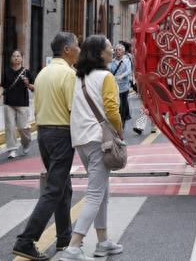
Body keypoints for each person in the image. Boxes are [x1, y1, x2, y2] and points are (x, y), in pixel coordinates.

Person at [13, 32, 80, 261]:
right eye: (77, 46)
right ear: (67, 49)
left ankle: (64, 238)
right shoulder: (69, 74)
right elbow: (74, 111)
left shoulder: (42, 73)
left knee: (63, 186)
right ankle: (26, 240)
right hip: (61, 134)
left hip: (43, 133)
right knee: (54, 189)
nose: (79, 50)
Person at [60, 35, 124, 260]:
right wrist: (120, 131)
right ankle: (74, 247)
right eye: (108, 47)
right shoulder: (106, 76)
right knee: (96, 194)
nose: (112, 50)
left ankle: (103, 241)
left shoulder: (80, 77)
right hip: (100, 140)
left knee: (102, 191)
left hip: (81, 140)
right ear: (99, 54)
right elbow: (112, 110)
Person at [0, 49, 35, 159]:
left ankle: (26, 143)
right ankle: (12, 149)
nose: (16, 58)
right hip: (8, 103)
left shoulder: (27, 72)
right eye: (14, 56)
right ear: (11, 58)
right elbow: (2, 85)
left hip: (22, 103)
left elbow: (34, 88)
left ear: (22, 58)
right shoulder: (7, 71)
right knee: (10, 127)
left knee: (23, 127)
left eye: (18, 56)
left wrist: (28, 84)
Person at [109, 44, 132, 127]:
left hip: (124, 87)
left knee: (123, 105)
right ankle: (117, 122)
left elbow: (129, 71)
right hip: (115, 86)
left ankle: (123, 121)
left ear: (123, 51)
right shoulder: (112, 61)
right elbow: (109, 70)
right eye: (116, 50)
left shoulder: (126, 61)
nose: (117, 51)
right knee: (117, 105)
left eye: (119, 50)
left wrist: (122, 76)